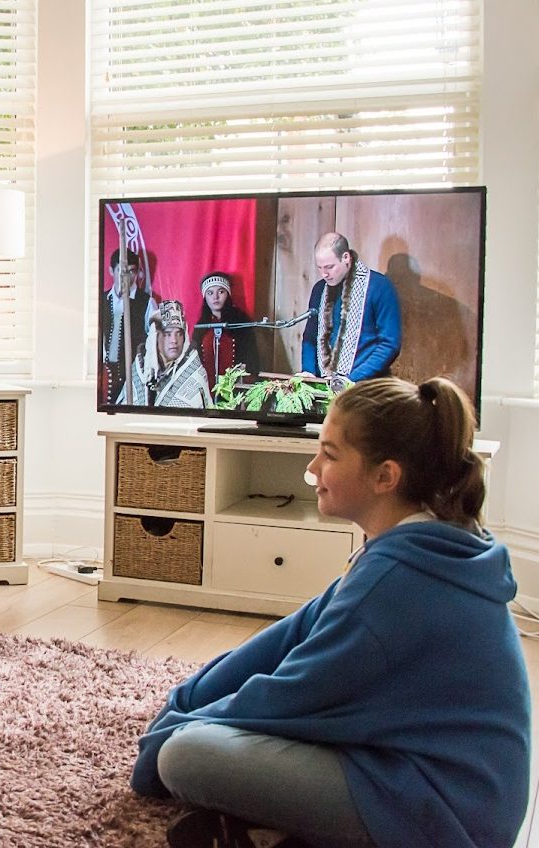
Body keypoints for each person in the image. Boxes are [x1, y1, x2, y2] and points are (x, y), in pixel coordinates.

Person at [131, 376, 530, 848]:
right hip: (414, 772)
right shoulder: (415, 545)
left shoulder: (396, 581)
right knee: (200, 729)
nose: (313, 466)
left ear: (385, 477)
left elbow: (288, 696)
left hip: (441, 813)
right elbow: (285, 640)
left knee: (184, 755)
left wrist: (170, 735)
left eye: (330, 454)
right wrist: (185, 699)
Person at [299, 233, 402, 383]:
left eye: (329, 267)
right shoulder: (319, 289)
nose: (324, 274)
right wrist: (308, 371)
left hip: (365, 384)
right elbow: (310, 337)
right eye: (319, 268)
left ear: (346, 257)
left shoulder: (379, 286)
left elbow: (389, 344)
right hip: (323, 382)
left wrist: (351, 379)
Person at [117, 299, 211, 409]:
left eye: (179, 334)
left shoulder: (194, 371)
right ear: (155, 336)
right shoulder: (139, 369)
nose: (174, 340)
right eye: (167, 334)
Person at [100, 247, 158, 405]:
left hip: (133, 376)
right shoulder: (101, 300)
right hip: (104, 376)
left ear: (137, 273)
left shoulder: (147, 303)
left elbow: (154, 340)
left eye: (131, 271)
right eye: (122, 271)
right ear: (111, 271)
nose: (126, 277)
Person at [190, 272, 260, 390]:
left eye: (221, 292)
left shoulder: (241, 322)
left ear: (228, 294)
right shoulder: (200, 326)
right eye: (210, 293)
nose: (215, 297)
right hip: (206, 389)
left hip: (235, 388)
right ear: (205, 297)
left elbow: (251, 358)